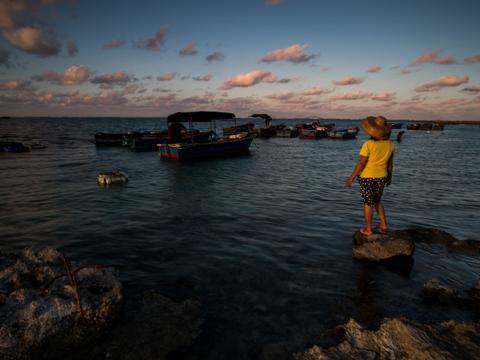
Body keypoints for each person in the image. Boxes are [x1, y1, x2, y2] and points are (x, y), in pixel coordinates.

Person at [345, 116, 395, 236]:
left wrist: (351, 177)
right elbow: (390, 164)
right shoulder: (391, 145)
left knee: (368, 203)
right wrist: (389, 177)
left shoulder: (368, 144)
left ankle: (368, 229)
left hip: (367, 177)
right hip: (382, 177)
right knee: (377, 201)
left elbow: (362, 163)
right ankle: (383, 224)